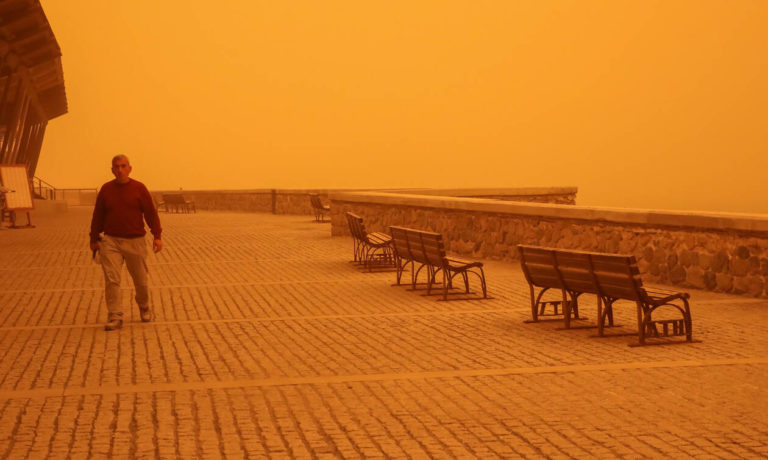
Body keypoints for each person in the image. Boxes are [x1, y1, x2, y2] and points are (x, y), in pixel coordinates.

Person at [89, 155, 162, 331]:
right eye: (116, 167)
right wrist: (93, 239)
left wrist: (157, 235)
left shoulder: (139, 188)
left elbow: (151, 214)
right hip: (111, 241)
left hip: (135, 240)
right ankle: (115, 316)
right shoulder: (106, 190)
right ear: (112, 170)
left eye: (123, 166)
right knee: (112, 280)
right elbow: (97, 215)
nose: (120, 170)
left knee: (141, 281)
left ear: (129, 168)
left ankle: (144, 306)